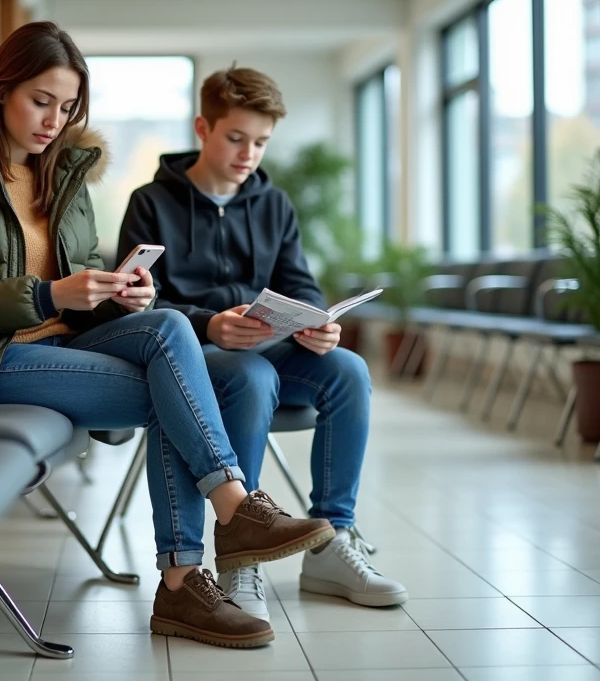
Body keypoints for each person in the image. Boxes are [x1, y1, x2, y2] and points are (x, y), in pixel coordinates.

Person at [0, 23, 334, 648]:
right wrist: (51, 294)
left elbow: (74, 299)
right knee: (171, 391)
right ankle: (206, 549)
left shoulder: (59, 175)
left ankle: (211, 544)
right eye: (41, 100)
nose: (54, 120)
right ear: (0, 89)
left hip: (52, 346)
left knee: (167, 327)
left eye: (67, 107)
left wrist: (118, 295)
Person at [117, 65, 409, 618]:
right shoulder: (151, 202)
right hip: (196, 355)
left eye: (261, 142)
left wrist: (317, 320)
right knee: (252, 377)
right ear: (203, 128)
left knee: (347, 370)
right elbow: (140, 302)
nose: (249, 153)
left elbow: (298, 282)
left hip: (269, 342)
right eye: (236, 138)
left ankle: (331, 541)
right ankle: (239, 556)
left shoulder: (274, 205)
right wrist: (209, 323)